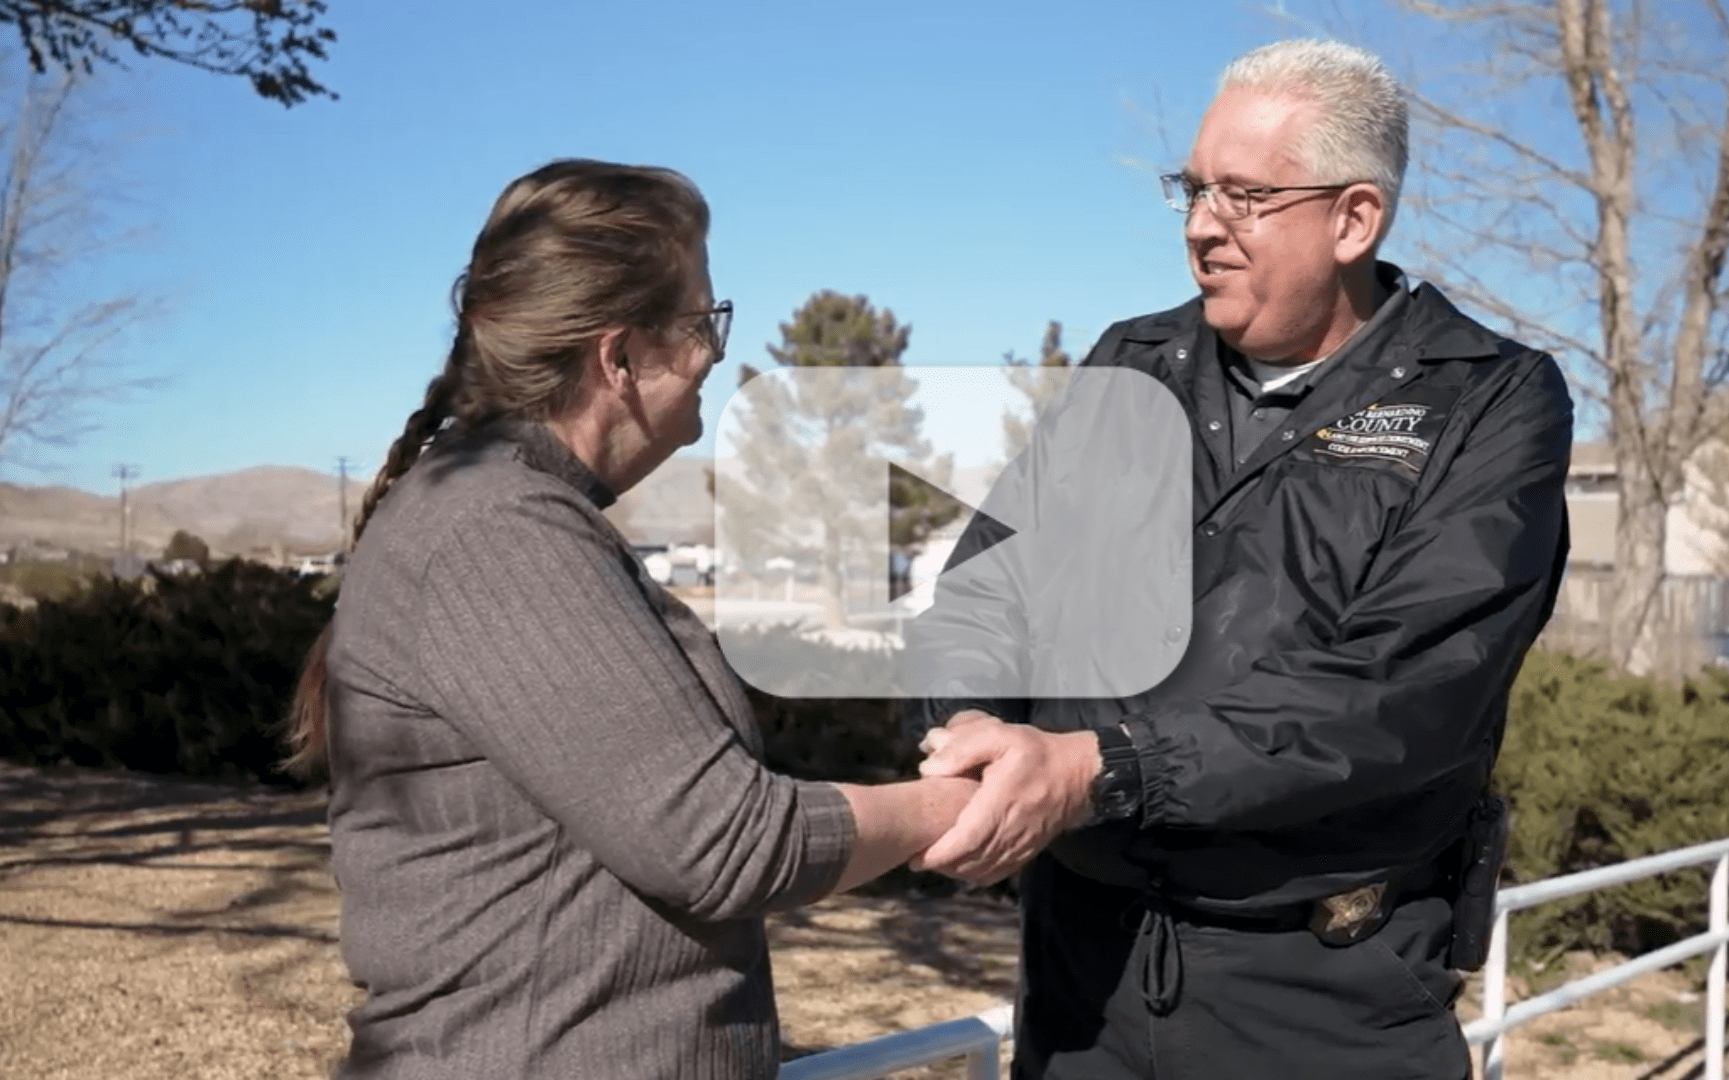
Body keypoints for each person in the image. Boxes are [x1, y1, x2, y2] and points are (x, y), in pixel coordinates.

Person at [912, 39, 1573, 1079]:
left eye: (1246, 196)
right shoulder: (1134, 361)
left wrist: (1105, 770)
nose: (1201, 226)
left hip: (1325, 996)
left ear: (1355, 218)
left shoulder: (1488, 399)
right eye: (1193, 188)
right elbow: (986, 589)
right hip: (1083, 976)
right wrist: (969, 723)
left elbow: (1400, 697)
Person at [282, 160, 977, 1080]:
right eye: (701, 323)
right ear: (618, 357)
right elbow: (726, 842)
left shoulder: (507, 511)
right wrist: (957, 807)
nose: (715, 354)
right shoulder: (497, 531)